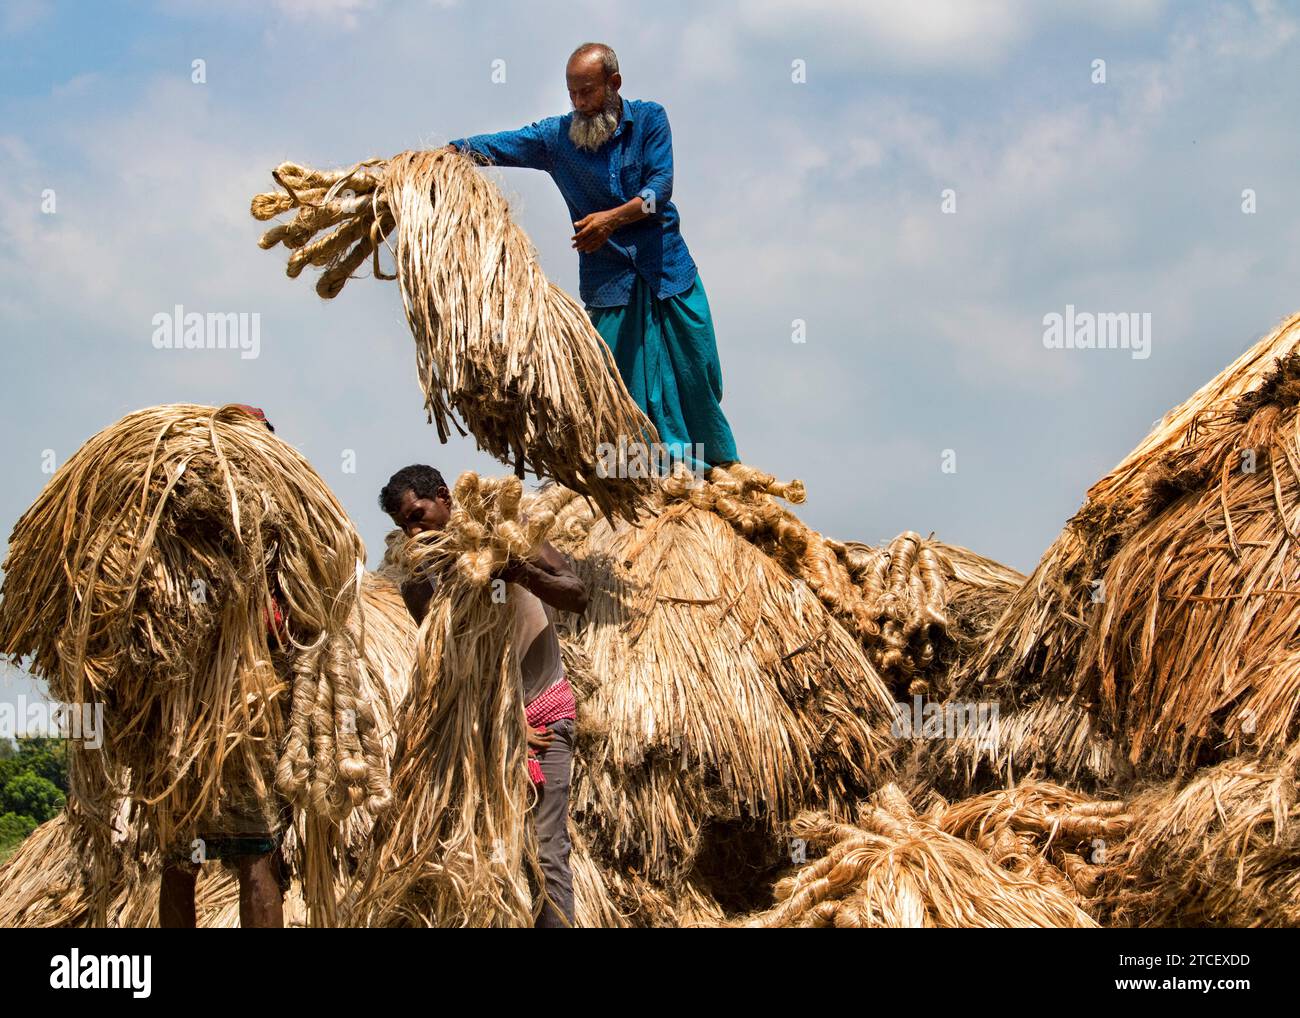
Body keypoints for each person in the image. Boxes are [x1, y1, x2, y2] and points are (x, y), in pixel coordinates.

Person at [446, 42, 738, 473]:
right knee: (618, 388)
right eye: (573, 95)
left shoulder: (651, 120)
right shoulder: (556, 138)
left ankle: (717, 469)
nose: (580, 103)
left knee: (698, 369)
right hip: (610, 283)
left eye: (588, 92)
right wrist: (450, 152)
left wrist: (610, 221)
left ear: (614, 84)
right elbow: (502, 145)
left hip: (668, 269)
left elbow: (661, 189)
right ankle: (642, 478)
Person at [379, 463, 588, 927]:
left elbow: (576, 593)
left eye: (418, 514)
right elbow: (448, 666)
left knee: (545, 848)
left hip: (546, 714)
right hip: (488, 725)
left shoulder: (509, 535)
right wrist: (505, 722)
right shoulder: (420, 578)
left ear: (444, 497)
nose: (413, 530)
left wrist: (519, 571)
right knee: (485, 850)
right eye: (403, 525)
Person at [159, 404, 289, 928]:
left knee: (201, 851)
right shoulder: (196, 518)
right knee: (236, 851)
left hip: (228, 708)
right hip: (205, 707)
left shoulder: (277, 523)